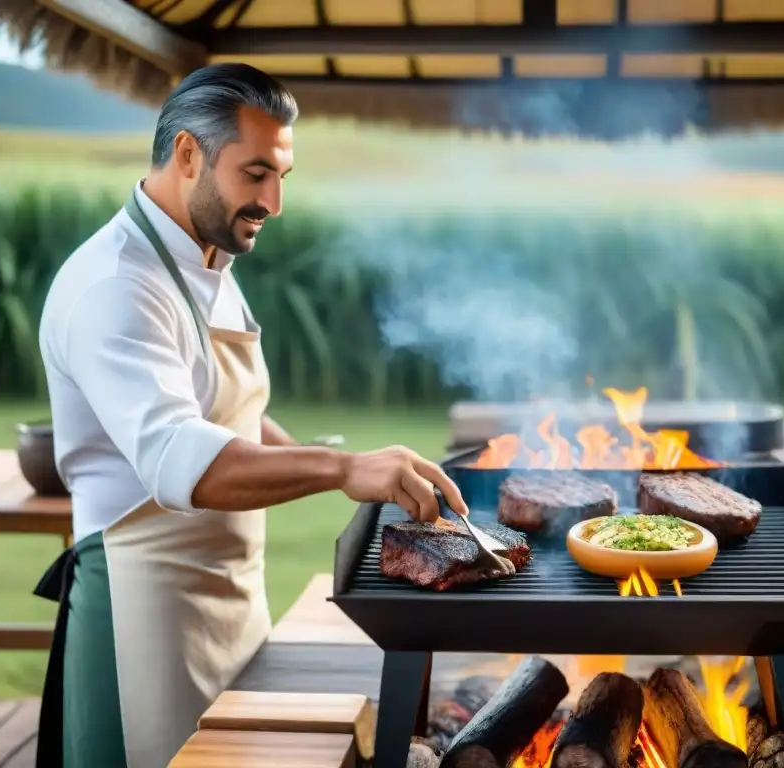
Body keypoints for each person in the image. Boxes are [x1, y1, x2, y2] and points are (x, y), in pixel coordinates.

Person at [33, 63, 467, 768]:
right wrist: (343, 468)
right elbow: (182, 460)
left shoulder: (206, 262)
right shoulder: (116, 287)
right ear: (186, 155)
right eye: (256, 173)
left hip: (230, 607)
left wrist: (340, 477)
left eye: (282, 176)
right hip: (144, 624)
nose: (274, 200)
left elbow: (230, 412)